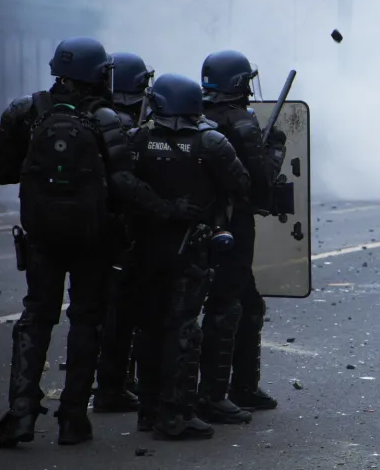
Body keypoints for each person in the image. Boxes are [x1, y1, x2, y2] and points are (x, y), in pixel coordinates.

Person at [0, 38, 199, 448]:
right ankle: (73, 420)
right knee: (86, 321)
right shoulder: (109, 120)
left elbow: (3, 170)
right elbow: (125, 183)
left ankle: (19, 416)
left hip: (41, 238)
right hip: (94, 239)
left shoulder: (25, 110)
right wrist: (170, 209)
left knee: (36, 318)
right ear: (98, 74)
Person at [129, 72, 250, 440]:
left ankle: (148, 411)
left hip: (146, 247)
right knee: (182, 329)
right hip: (190, 249)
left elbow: (122, 185)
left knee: (148, 328)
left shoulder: (139, 138)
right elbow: (242, 185)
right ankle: (176, 414)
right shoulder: (211, 141)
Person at [199, 50, 286, 422]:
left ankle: (241, 388)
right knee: (228, 307)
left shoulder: (187, 116)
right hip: (231, 228)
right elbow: (260, 185)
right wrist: (276, 146)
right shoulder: (243, 123)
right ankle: (215, 395)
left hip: (188, 225)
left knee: (241, 305)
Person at [93, 51, 155, 414]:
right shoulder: (124, 126)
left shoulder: (88, 117)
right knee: (122, 314)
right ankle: (112, 388)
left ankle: (99, 387)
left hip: (84, 230)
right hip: (119, 234)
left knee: (92, 312)